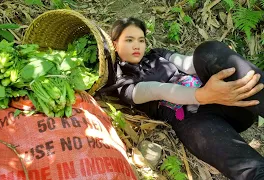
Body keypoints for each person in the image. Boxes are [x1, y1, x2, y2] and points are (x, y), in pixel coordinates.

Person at [102, 17, 264, 180]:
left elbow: (188, 64)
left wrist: (220, 57)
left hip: (236, 101)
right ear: (115, 44)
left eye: (141, 40)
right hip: (199, 122)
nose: (137, 45)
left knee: (207, 51)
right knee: (252, 170)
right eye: (129, 40)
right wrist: (204, 95)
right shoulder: (125, 84)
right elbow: (159, 90)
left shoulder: (157, 54)